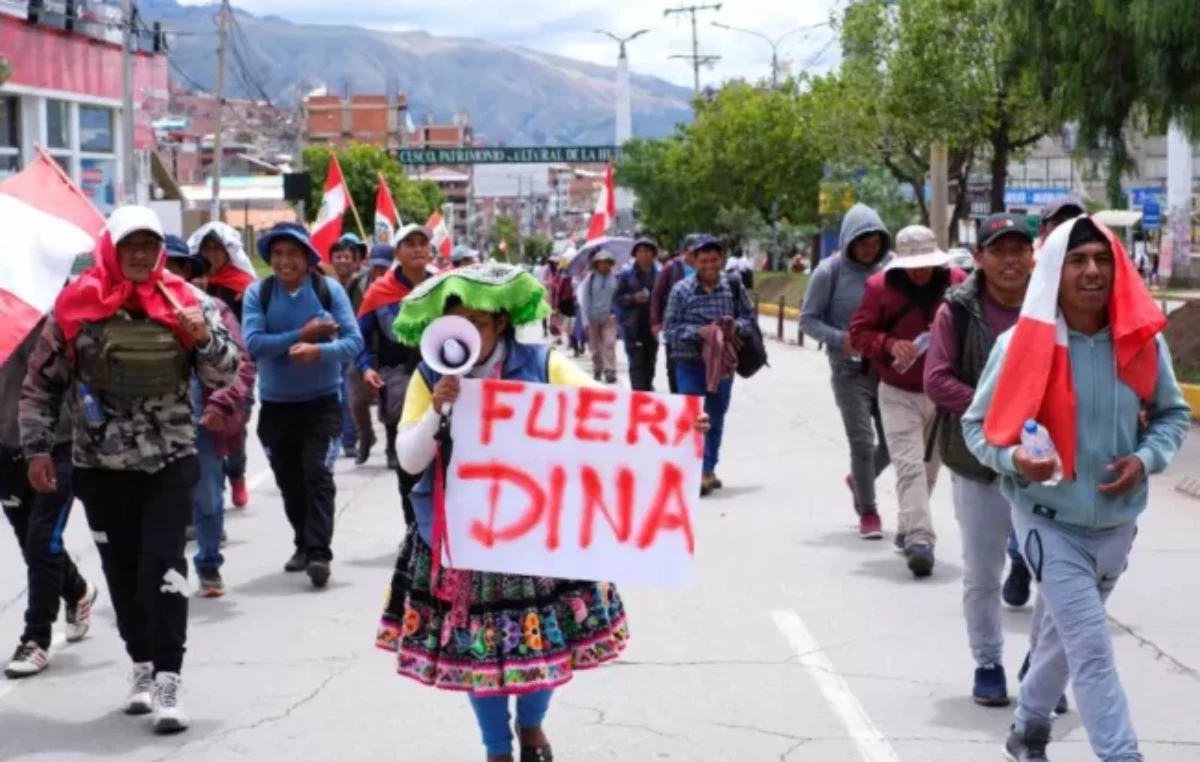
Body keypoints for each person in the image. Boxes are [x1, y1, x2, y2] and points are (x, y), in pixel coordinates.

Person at [377, 263, 706, 762]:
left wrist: (672, 423)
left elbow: (604, 407)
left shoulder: (541, 364)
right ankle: (496, 749)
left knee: (545, 645)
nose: (466, 333)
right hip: (463, 542)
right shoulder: (429, 374)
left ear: (501, 325)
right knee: (478, 654)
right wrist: (439, 410)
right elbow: (408, 458)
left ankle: (531, 727)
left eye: (478, 323)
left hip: (537, 537)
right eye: (455, 322)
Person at [963, 215, 1191, 762]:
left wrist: (1144, 458)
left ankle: (1027, 728)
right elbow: (976, 427)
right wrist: (1014, 458)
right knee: (1090, 645)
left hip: (1117, 523)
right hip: (1047, 519)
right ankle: (1121, 754)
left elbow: (1171, 416)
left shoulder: (1140, 342)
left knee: (1065, 638)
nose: (1092, 271)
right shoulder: (1020, 345)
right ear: (1055, 271)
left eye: (1102, 260)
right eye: (1078, 260)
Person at [20, 205, 240, 733]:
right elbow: (41, 383)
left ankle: (168, 677)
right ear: (112, 250)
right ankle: (140, 665)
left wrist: (203, 339)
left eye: (148, 245)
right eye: (129, 246)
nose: (140, 255)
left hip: (169, 460)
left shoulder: (188, 301)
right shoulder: (77, 306)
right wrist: (37, 449)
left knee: (164, 568)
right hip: (99, 464)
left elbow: (227, 369)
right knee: (121, 576)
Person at [923, 214, 1036, 706]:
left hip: (1045, 464)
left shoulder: (1054, 304)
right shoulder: (957, 310)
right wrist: (996, 413)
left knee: (1057, 575)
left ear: (1033, 256)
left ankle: (1043, 671)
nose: (1010, 260)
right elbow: (937, 379)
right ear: (981, 258)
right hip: (977, 461)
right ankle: (988, 662)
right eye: (999, 250)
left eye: (1019, 249)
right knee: (983, 572)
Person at [242, 222, 363, 589]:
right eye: (277, 254)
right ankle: (303, 542)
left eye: (293, 253)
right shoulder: (257, 294)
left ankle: (319, 554)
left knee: (317, 475)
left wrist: (319, 351)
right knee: (291, 483)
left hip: (323, 404)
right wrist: (302, 335)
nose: (284, 261)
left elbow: (354, 342)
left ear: (309, 258)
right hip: (276, 407)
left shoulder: (329, 291)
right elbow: (254, 344)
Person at [848, 225, 966, 577]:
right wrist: (887, 344)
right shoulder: (878, 288)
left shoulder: (958, 281)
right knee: (909, 466)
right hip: (897, 390)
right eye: (913, 264)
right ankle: (920, 539)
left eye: (926, 263)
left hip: (943, 392)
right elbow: (858, 334)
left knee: (930, 470)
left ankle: (907, 523)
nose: (920, 271)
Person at [2, 313, 97, 679]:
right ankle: (77, 591)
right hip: (7, 447)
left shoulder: (61, 318)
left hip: (60, 444)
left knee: (43, 542)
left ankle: (36, 638)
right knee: (32, 543)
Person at [163, 235, 256, 598]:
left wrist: (219, 405)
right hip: (153, 431)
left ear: (188, 270)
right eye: (164, 265)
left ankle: (208, 564)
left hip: (203, 424)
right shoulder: (132, 314)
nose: (170, 273)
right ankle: (168, 571)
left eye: (177, 265)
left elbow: (240, 364)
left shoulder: (213, 308)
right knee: (164, 504)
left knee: (207, 498)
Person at [801, 204, 893, 539]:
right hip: (848, 370)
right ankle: (868, 511)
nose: (870, 247)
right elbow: (807, 319)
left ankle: (860, 479)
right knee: (862, 442)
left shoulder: (890, 269)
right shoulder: (829, 273)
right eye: (863, 240)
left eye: (875, 240)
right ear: (849, 240)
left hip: (886, 368)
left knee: (895, 441)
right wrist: (841, 339)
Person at [664, 235, 755, 496]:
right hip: (689, 363)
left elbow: (749, 318)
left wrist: (733, 328)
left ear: (722, 260)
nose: (709, 265)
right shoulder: (681, 291)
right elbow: (670, 331)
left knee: (715, 417)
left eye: (714, 259)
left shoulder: (733, 287)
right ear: (693, 261)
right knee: (694, 418)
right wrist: (701, 333)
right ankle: (691, 469)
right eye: (703, 260)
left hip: (723, 364)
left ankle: (707, 469)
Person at [189, 222, 257, 510]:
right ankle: (208, 502)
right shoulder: (190, 285)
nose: (213, 254)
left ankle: (237, 474)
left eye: (218, 249)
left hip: (238, 367)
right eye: (207, 249)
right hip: (199, 371)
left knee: (235, 426)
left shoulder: (242, 288)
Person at [356, 224, 432, 472]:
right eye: (410, 244)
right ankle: (393, 445)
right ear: (397, 253)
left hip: (436, 370)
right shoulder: (378, 292)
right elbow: (359, 336)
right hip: (395, 369)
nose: (418, 249)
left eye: (423, 243)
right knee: (398, 418)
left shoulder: (443, 286)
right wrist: (366, 368)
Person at [330, 234, 368, 458]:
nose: (343, 261)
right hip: (331, 347)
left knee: (349, 394)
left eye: (347, 256)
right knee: (339, 394)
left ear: (356, 260)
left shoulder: (363, 284)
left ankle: (352, 437)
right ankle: (347, 437)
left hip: (356, 345)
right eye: (338, 256)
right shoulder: (326, 285)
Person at [652, 235, 699, 393]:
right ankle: (676, 397)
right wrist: (656, 322)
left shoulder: (704, 267)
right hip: (675, 325)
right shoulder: (671, 267)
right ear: (685, 252)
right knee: (674, 365)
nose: (696, 256)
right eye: (693, 252)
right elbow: (657, 295)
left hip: (699, 327)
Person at [615, 238, 661, 391]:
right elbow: (617, 298)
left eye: (648, 251)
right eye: (641, 251)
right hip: (633, 326)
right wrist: (633, 298)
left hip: (652, 326)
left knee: (650, 362)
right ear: (635, 254)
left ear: (653, 254)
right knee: (636, 363)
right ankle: (638, 393)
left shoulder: (660, 274)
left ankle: (646, 388)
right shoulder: (626, 274)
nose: (644, 254)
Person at [576, 250, 620, 384]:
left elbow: (618, 297)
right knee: (595, 348)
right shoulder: (589, 279)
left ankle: (610, 370)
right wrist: (585, 320)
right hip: (592, 318)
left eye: (606, 262)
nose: (604, 265)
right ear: (596, 264)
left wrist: (616, 313)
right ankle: (597, 368)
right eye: (601, 262)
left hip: (609, 317)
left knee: (609, 343)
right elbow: (584, 301)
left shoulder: (615, 278)